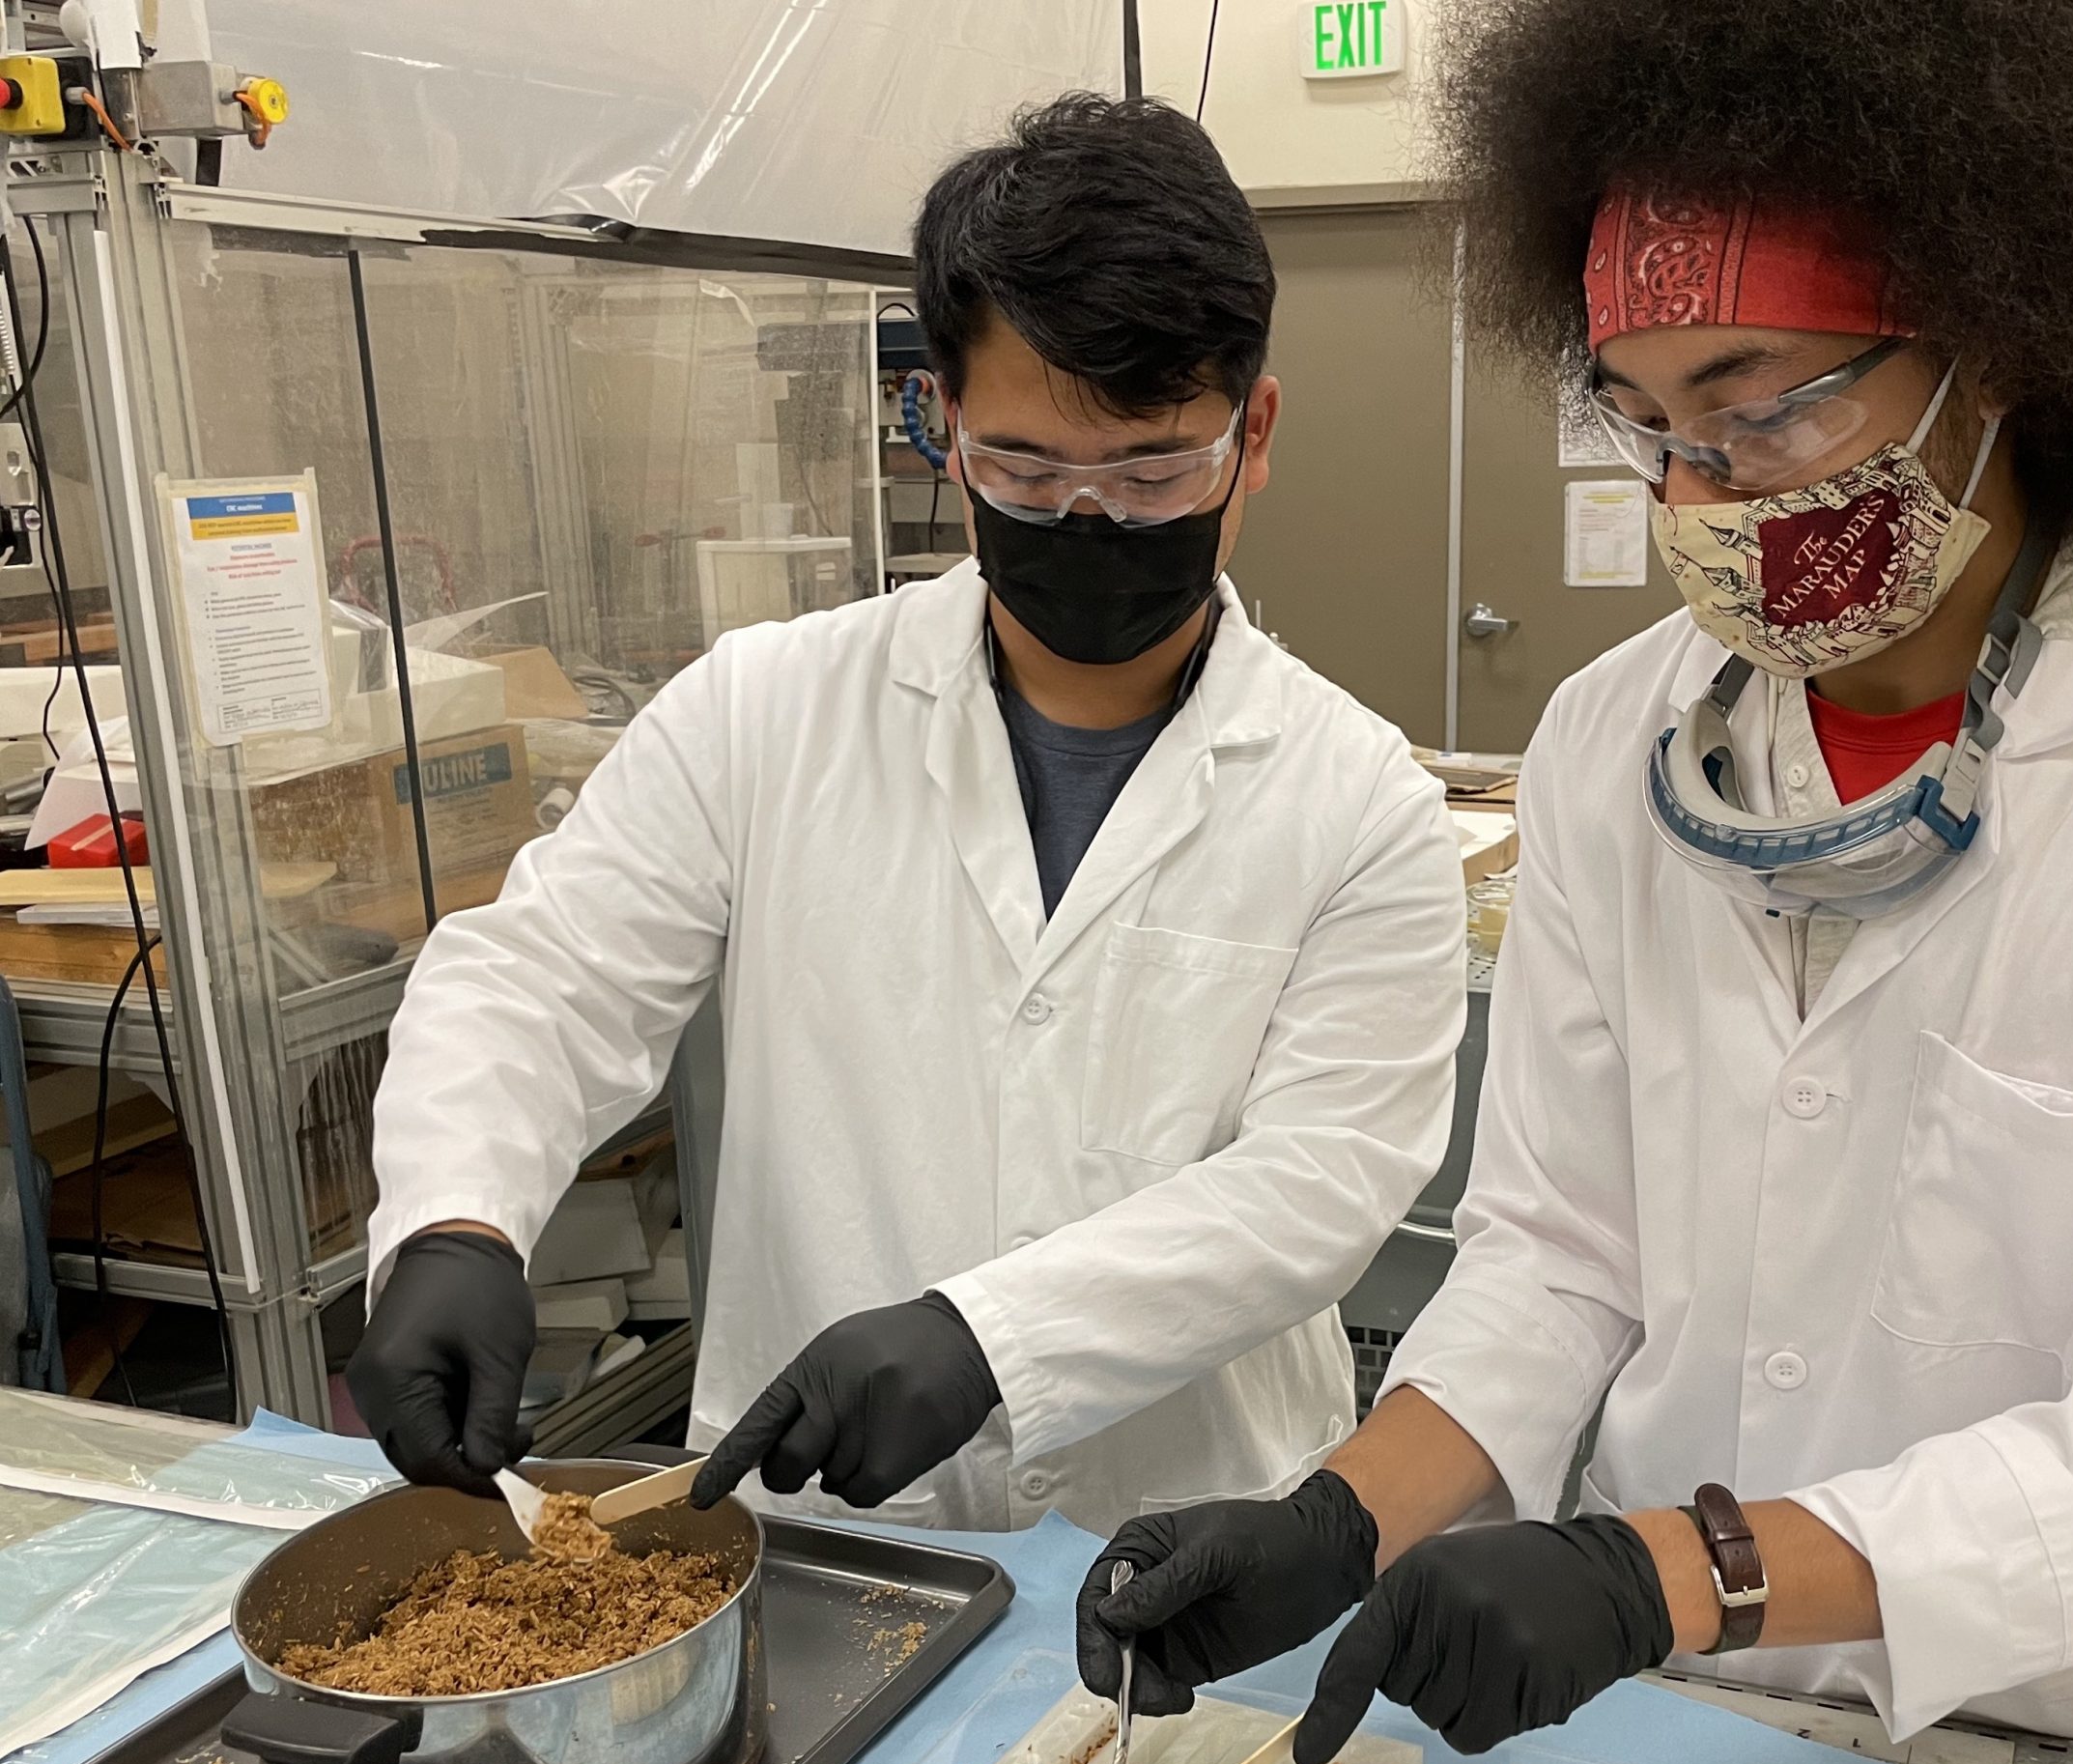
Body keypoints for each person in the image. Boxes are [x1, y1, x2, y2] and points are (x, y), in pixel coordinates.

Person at [1078, 0, 2073, 1764]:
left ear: (2001, 346)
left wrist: (1675, 1572)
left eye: (1759, 413)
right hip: (1675, 1711)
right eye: (1645, 422)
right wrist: (1341, 1517)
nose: (1698, 493)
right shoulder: (1616, 740)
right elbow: (1563, 1249)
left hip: (2065, 1727)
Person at [350, 95, 1466, 1532]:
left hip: (1185, 1541)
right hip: (823, 1534)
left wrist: (993, 1338)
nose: (1088, 519)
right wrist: (454, 1219)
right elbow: (539, 981)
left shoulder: (1359, 800)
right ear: (940, 421)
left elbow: (1322, 1181)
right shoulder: (762, 713)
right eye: (1024, 469)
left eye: (1150, 470)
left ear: (1253, 432)